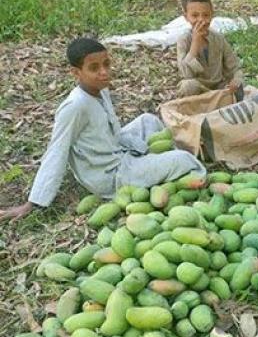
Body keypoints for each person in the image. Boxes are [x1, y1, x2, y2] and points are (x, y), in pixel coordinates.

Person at [0, 38, 206, 222]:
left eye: (107, 64)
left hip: (116, 147)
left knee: (148, 121)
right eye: (94, 67)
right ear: (76, 72)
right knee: (184, 160)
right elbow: (57, 151)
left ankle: (152, 165)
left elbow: (111, 131)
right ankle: (169, 173)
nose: (104, 72)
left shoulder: (100, 88)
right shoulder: (75, 107)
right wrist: (33, 202)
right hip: (109, 174)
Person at [176, 0, 244, 99]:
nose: (201, 20)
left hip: (219, 89)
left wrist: (235, 81)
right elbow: (186, 75)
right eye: (195, 15)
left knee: (238, 90)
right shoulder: (184, 40)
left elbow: (235, 68)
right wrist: (195, 44)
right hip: (199, 91)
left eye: (206, 15)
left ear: (212, 15)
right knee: (188, 86)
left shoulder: (218, 38)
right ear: (186, 17)